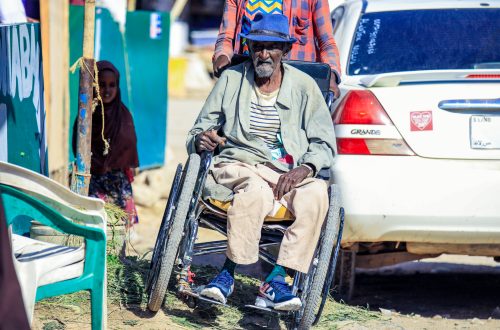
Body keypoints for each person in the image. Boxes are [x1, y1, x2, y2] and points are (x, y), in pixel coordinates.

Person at [187, 14, 335, 311]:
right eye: (257, 46)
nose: (263, 54)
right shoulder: (231, 80)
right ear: (249, 47)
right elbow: (198, 130)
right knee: (255, 191)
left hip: (287, 171)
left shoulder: (305, 87)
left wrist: (304, 169)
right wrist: (201, 140)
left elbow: (324, 144)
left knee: (317, 194)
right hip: (240, 163)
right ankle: (227, 275)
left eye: (271, 47)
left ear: (286, 51)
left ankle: (278, 279)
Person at [212, 0, 341, 97]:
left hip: (294, 88)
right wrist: (222, 55)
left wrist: (331, 75)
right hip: (248, 81)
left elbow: (326, 42)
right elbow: (226, 37)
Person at [72, 60, 140, 228]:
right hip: (93, 181)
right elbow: (78, 147)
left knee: (118, 231)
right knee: (96, 226)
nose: (107, 90)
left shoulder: (123, 116)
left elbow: (128, 148)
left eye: (112, 85)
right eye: (102, 85)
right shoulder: (86, 116)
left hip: (118, 183)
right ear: (94, 86)